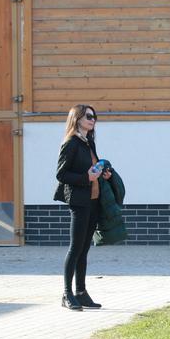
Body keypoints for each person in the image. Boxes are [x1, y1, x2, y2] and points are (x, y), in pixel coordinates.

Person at [53, 104, 111, 310]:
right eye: (88, 116)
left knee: (85, 249)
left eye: (94, 116)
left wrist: (103, 174)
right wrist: (86, 178)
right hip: (79, 201)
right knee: (75, 248)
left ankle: (81, 292)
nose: (92, 119)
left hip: (93, 201)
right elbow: (61, 174)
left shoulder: (88, 142)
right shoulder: (71, 143)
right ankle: (67, 294)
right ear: (77, 118)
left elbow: (93, 168)